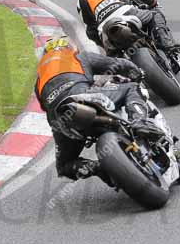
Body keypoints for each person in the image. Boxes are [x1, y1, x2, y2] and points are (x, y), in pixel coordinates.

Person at [35, 36, 162, 182]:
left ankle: (97, 168)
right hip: (82, 97)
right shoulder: (79, 57)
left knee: (64, 166)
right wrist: (137, 72)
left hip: (59, 118)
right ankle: (140, 122)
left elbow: (44, 106)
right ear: (71, 48)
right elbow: (117, 64)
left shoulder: (39, 79)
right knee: (131, 88)